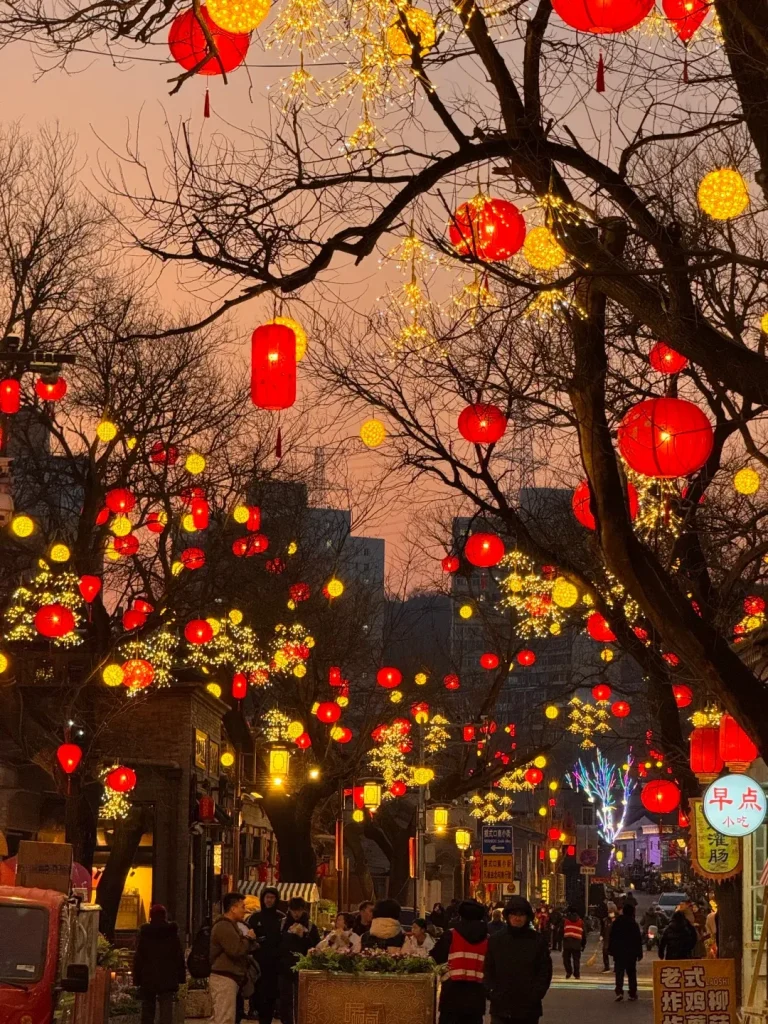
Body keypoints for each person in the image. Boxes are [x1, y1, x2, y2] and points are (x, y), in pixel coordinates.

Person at [484, 897, 552, 1024]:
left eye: (521, 915)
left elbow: (545, 971)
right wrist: (491, 992)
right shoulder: (496, 940)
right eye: (514, 914)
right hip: (501, 1006)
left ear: (527, 917)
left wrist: (536, 994)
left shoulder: (537, 941)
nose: (517, 918)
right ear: (508, 916)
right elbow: (488, 968)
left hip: (528, 1008)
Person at [432, 899, 488, 1024]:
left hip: (452, 994)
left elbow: (436, 957)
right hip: (476, 996)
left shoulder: (451, 935)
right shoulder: (487, 939)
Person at [133, 904, 186, 1024]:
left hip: (148, 976)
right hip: (168, 976)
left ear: (151, 916)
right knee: (166, 1007)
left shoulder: (145, 934)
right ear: (165, 916)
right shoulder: (171, 934)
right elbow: (178, 957)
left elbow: (139, 958)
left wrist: (137, 979)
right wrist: (181, 977)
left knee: (147, 1008)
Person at [210, 893, 256, 1024]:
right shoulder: (224, 926)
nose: (245, 910)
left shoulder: (232, 925)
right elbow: (236, 950)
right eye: (242, 906)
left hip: (229, 977)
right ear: (233, 908)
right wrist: (248, 938)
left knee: (223, 1016)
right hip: (224, 978)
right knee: (224, 1018)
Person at [278, 897, 320, 1024]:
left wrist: (304, 937)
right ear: (289, 910)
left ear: (303, 910)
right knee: (285, 1000)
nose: (296, 914)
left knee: (301, 998)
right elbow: (277, 944)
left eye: (299, 910)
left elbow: (316, 947)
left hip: (303, 967)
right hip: (284, 967)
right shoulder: (282, 924)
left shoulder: (310, 926)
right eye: (293, 910)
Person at [247, 886, 284, 1024]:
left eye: (272, 897)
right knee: (259, 995)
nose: (269, 900)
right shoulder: (255, 917)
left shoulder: (281, 918)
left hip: (275, 965)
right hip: (258, 964)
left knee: (272, 995)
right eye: (267, 897)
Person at [607, 904, 643, 1002]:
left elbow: (612, 936)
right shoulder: (633, 923)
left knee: (619, 973)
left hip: (619, 952)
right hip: (631, 953)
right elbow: (638, 940)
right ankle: (632, 993)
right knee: (631, 973)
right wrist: (639, 953)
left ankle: (619, 992)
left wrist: (610, 950)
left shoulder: (617, 922)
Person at [561, 906, 587, 980]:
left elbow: (561, 932)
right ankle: (577, 974)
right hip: (577, 944)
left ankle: (569, 972)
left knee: (566, 959)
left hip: (567, 944)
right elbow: (584, 934)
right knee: (576, 960)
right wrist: (583, 945)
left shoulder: (565, 921)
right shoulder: (580, 922)